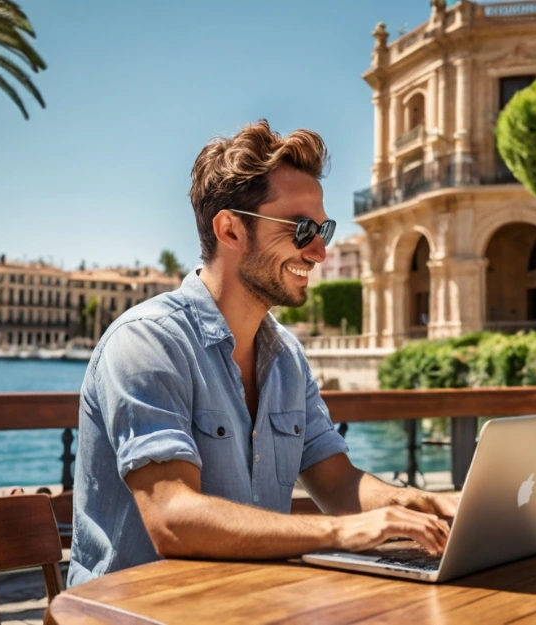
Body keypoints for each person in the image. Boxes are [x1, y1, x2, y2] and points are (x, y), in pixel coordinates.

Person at [67, 120, 457, 587]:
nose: (319, 252)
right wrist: (341, 532)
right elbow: (172, 517)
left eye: (324, 230)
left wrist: (426, 506)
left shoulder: (287, 356)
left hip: (249, 607)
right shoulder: (147, 342)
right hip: (133, 614)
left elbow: (337, 483)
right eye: (301, 228)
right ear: (230, 230)